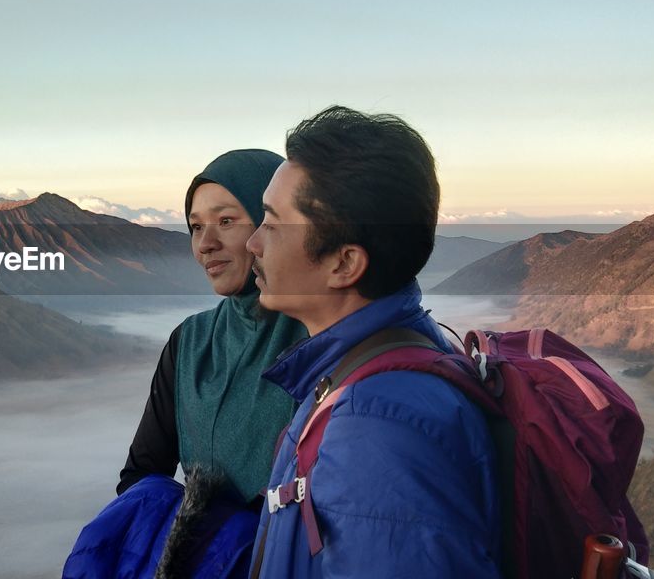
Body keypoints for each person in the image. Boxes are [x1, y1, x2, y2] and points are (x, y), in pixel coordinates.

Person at [244, 107, 501, 577]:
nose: (253, 244)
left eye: (274, 224)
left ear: (344, 264)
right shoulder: (382, 368)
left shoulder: (377, 430)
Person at [64, 149, 308, 579]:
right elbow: (141, 479)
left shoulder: (318, 341)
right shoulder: (189, 342)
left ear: (272, 223)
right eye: (195, 227)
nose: (204, 244)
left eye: (226, 221)